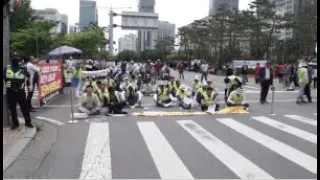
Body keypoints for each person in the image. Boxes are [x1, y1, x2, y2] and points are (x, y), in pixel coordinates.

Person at [4, 55, 34, 129]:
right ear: (11, 60)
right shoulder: (6, 68)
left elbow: (29, 76)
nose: (15, 61)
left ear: (19, 60)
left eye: (16, 60)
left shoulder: (22, 68)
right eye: (14, 59)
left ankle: (28, 122)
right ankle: (15, 123)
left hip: (20, 91)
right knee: (12, 109)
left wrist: (30, 85)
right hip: (10, 92)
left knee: (24, 108)